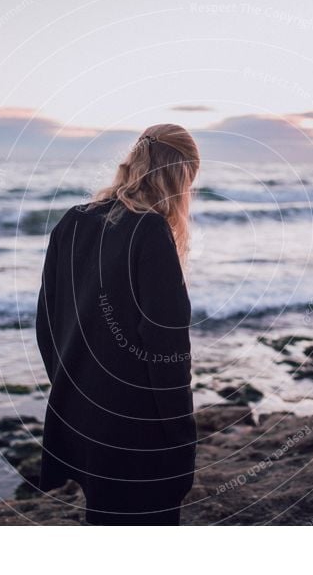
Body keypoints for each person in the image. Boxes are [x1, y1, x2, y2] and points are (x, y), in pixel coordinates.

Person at [35, 123, 200, 525]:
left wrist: (73, 390)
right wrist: (181, 435)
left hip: (81, 416)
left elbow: (47, 324)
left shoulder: (72, 222)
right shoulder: (150, 231)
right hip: (137, 429)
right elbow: (167, 348)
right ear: (181, 175)